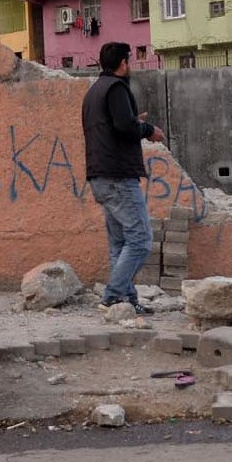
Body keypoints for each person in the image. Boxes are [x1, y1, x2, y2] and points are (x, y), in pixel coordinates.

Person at [82, 42, 166, 313]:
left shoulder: (94, 91)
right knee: (141, 241)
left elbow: (113, 124)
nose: (130, 65)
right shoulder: (117, 88)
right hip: (118, 176)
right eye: (129, 60)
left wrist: (133, 121)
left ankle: (126, 302)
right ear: (123, 63)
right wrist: (147, 128)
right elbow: (123, 126)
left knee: (120, 244)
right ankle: (113, 295)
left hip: (100, 176)